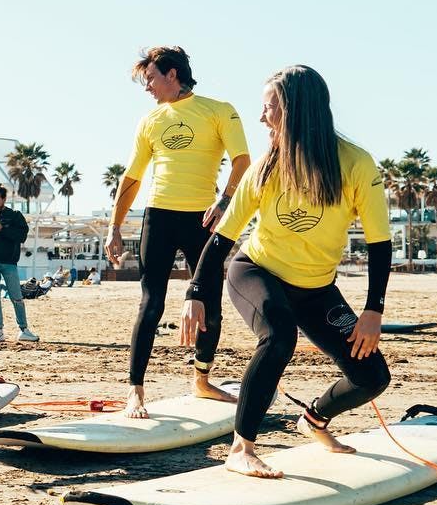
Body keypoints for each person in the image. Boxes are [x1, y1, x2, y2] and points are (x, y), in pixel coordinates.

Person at [180, 65, 393, 479]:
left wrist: (373, 310)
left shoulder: (354, 164)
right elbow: (222, 240)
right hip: (257, 271)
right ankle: (242, 447)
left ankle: (313, 419)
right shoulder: (265, 168)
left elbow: (380, 242)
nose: (262, 117)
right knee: (278, 336)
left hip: (316, 289)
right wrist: (194, 294)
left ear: (297, 111)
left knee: (371, 376)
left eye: (269, 108)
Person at [105, 46, 252, 418]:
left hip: (202, 219)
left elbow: (242, 161)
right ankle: (135, 390)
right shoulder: (150, 121)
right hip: (159, 217)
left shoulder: (219, 110)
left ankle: (201, 379)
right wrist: (114, 226)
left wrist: (225, 201)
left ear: (172, 74)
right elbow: (133, 177)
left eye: (151, 78)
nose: (147, 87)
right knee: (150, 303)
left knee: (210, 306)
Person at [0, 185, 39, 343]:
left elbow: (21, 235)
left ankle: (23, 330)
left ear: (4, 199)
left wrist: (1, 228)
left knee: (17, 296)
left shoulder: (15, 215)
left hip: (9, 262)